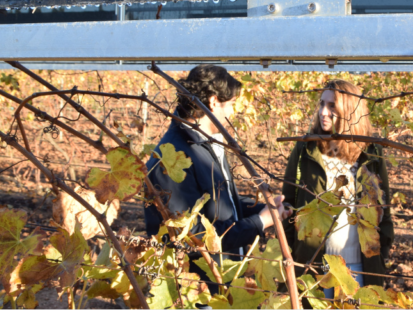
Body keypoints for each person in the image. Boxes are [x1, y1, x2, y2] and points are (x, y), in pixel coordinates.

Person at [144, 64, 292, 294]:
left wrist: (263, 209)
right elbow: (193, 238)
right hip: (197, 290)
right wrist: (260, 222)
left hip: (221, 280)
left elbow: (221, 205)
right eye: (231, 104)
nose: (233, 113)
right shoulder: (173, 160)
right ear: (213, 102)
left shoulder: (207, 144)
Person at [282, 80, 394, 302]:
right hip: (315, 265)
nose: (323, 112)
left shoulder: (371, 154)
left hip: (359, 268)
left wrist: (379, 257)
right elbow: (288, 203)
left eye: (332, 106)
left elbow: (384, 211)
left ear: (350, 111)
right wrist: (295, 252)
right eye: (322, 104)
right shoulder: (305, 149)